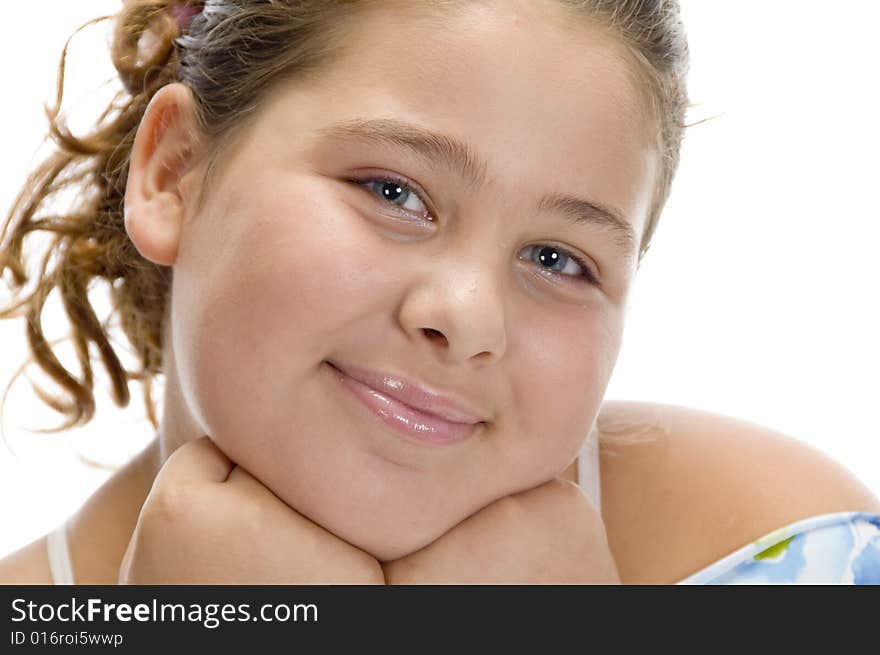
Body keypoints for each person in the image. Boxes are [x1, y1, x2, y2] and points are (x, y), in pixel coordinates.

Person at [0, 0, 878, 585]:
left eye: (556, 258)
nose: (466, 317)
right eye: (395, 193)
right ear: (176, 172)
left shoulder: (786, 540)